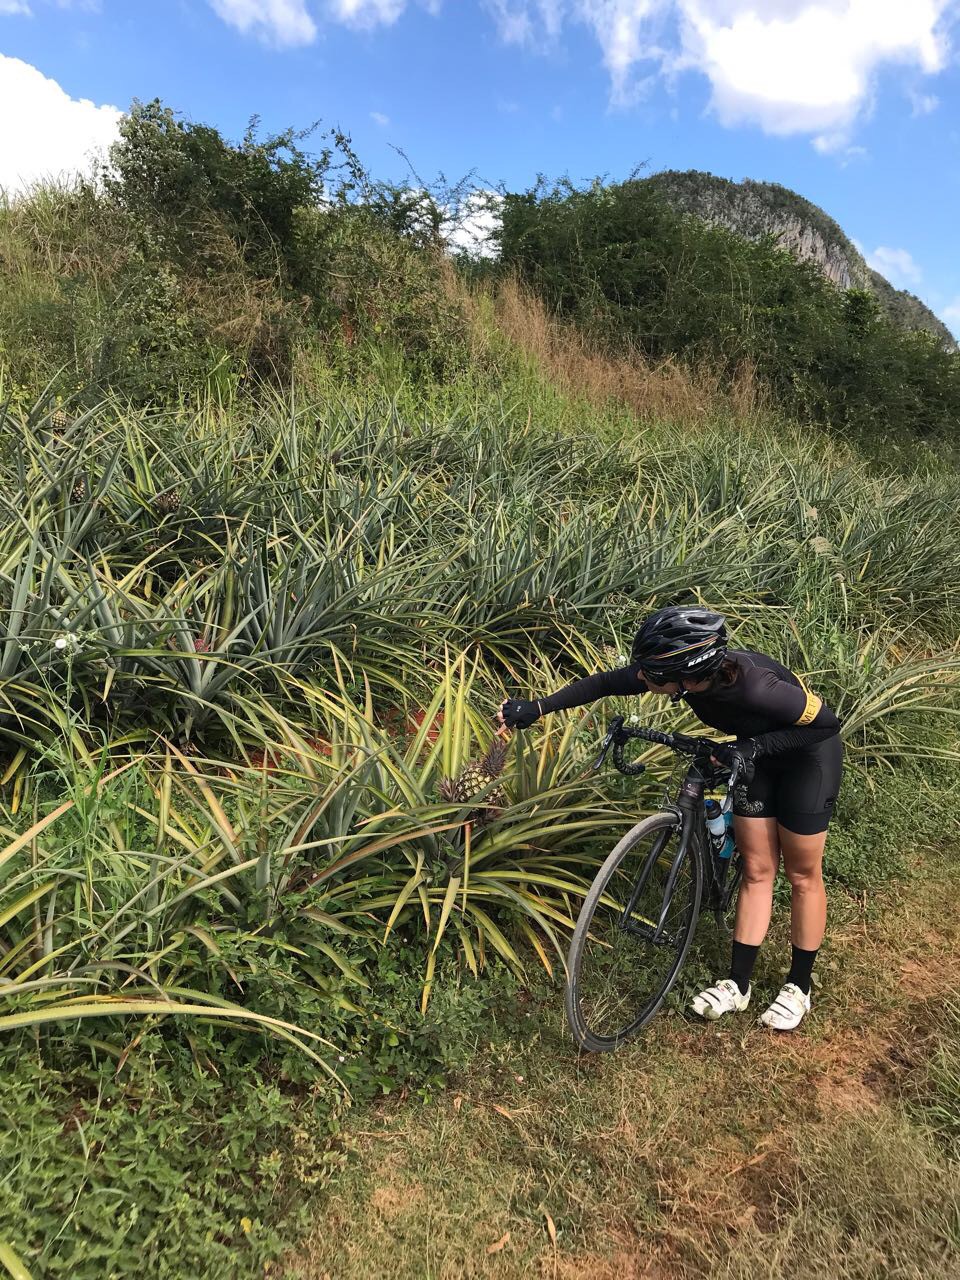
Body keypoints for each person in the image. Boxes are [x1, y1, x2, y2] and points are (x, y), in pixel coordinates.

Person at [497, 606, 843, 1032]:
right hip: (757, 758)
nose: (643, 679)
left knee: (802, 873)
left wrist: (751, 747)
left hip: (808, 759)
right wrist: (538, 706)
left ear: (688, 675)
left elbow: (826, 723)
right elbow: (607, 683)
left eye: (654, 676)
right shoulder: (675, 675)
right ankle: (738, 984)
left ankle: (799, 986)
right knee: (757, 870)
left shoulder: (758, 687)